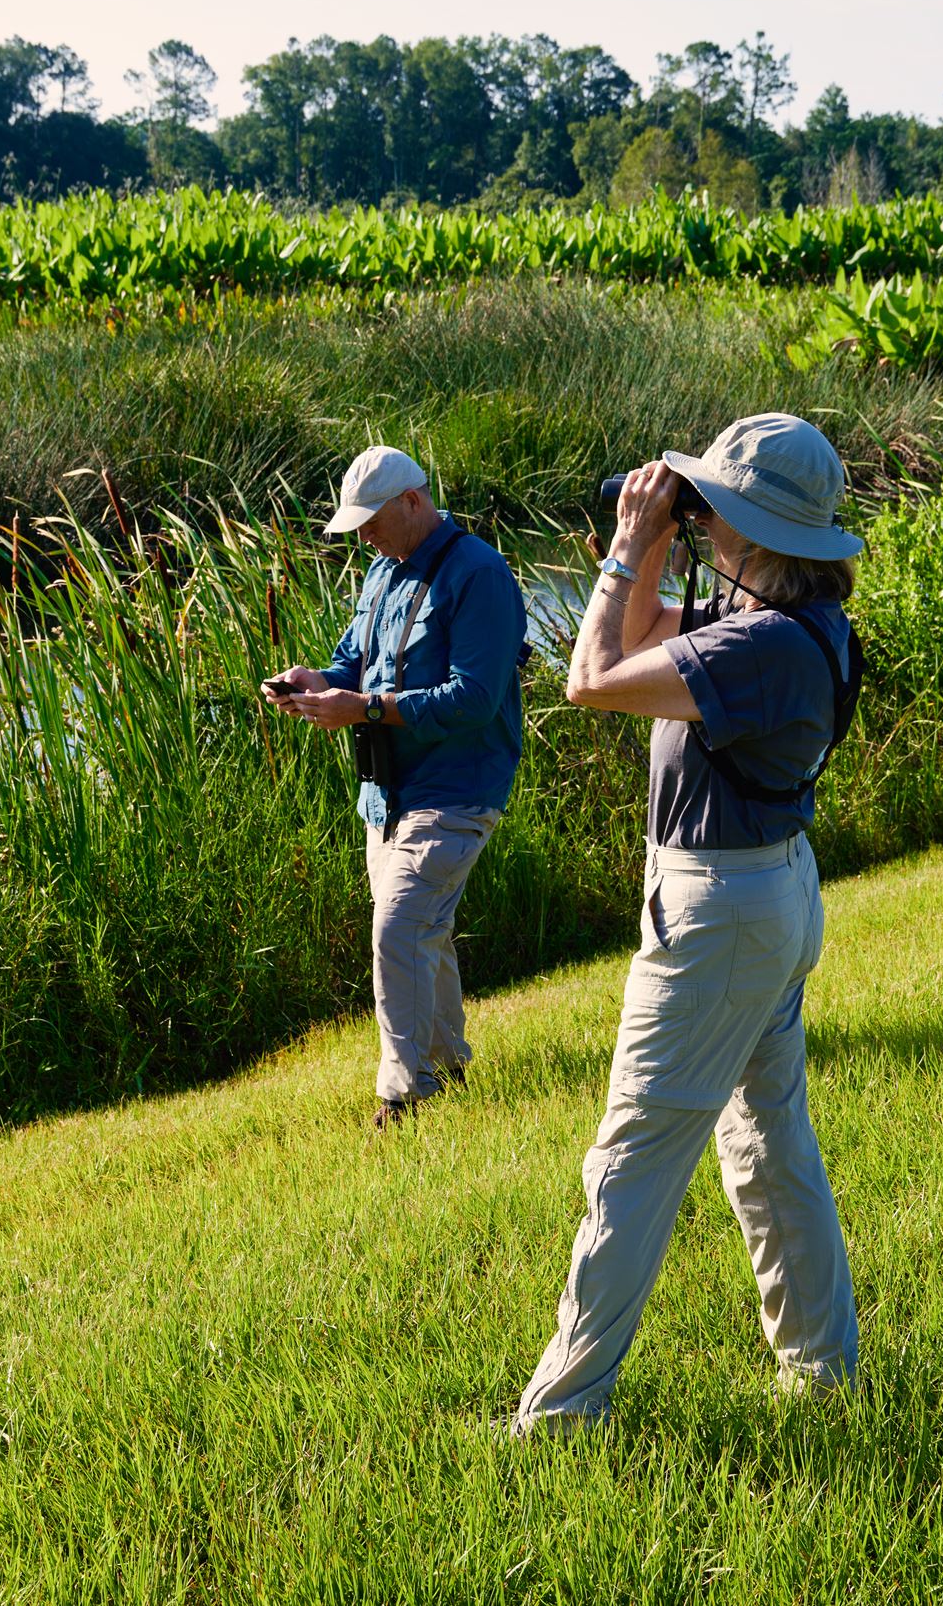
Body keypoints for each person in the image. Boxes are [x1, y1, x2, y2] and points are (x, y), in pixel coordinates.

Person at [511, 412, 863, 1434]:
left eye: (714, 506)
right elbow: (628, 638)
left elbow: (588, 677)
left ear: (749, 529)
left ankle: (566, 1409)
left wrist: (630, 543)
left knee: (630, 1159)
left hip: (719, 914)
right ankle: (819, 1366)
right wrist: (651, 544)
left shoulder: (757, 645)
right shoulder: (785, 616)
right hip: (766, 895)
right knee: (766, 1140)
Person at [266, 446, 526, 1127]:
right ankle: (450, 1065)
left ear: (413, 500)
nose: (364, 538)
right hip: (385, 792)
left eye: (371, 522)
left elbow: (474, 698)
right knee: (423, 929)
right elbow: (354, 660)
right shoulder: (381, 572)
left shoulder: (480, 573)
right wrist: (317, 683)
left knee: (400, 924)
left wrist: (367, 708)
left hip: (458, 788)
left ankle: (404, 1094)